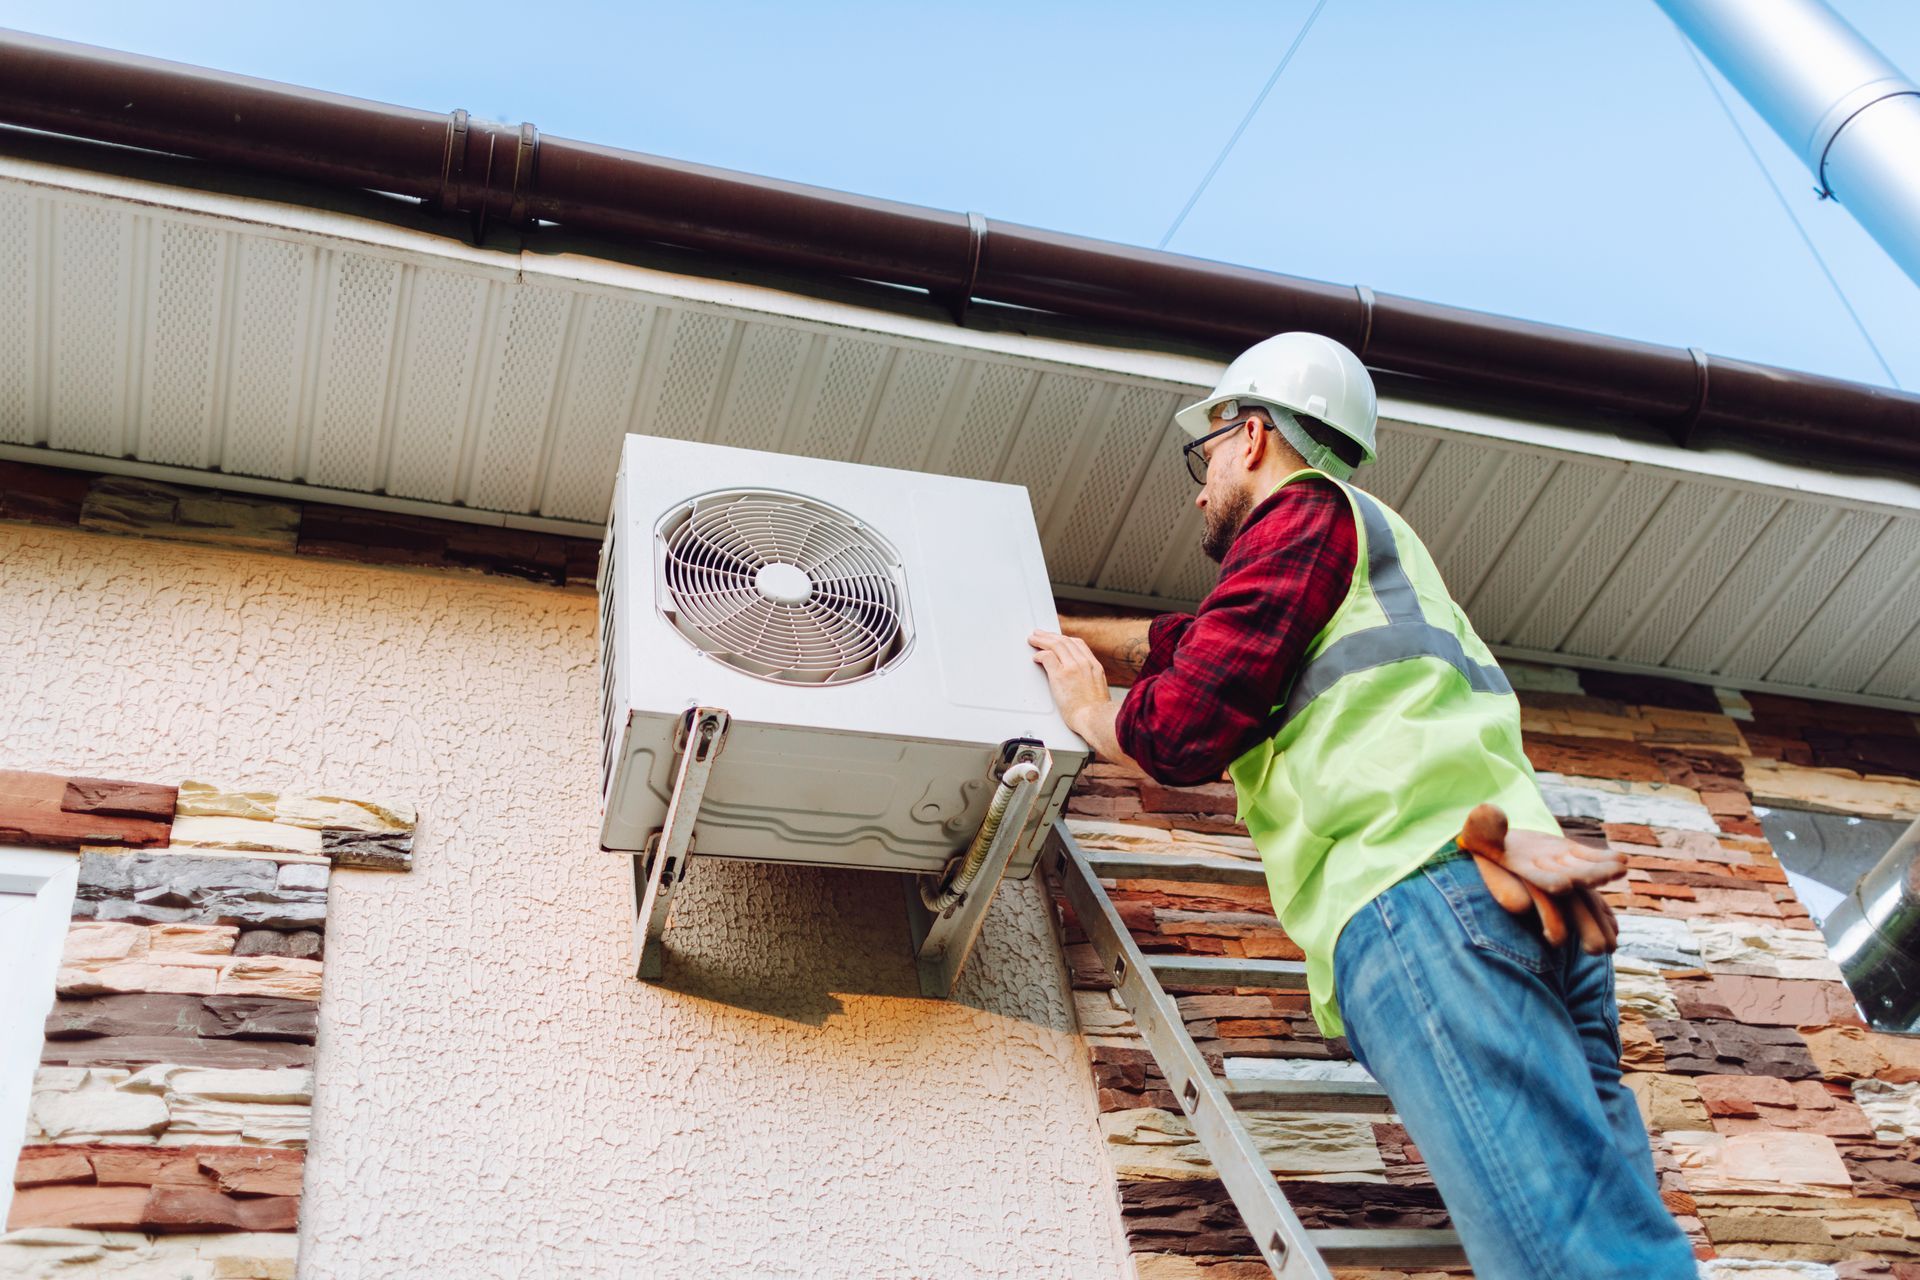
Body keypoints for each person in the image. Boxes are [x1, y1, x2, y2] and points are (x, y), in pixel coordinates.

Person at [1027, 332, 1697, 1280]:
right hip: (1533, 890)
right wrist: (1052, 627)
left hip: (1422, 891)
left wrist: (1097, 714)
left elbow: (1181, 729)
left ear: (1253, 435)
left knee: (1560, 1258)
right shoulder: (1368, 545)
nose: (1198, 482)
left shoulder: (1300, 520)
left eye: (1206, 451)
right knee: (1611, 1232)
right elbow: (1191, 639)